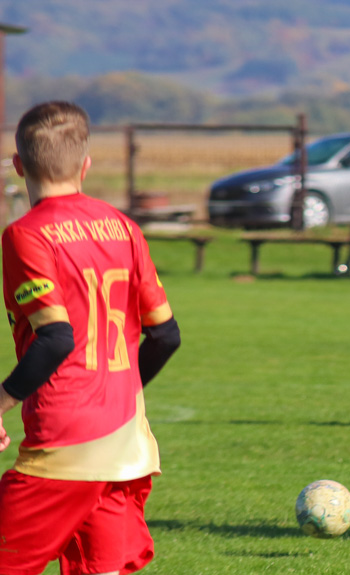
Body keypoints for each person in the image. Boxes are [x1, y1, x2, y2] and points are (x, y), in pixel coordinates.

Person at [0, 101, 181, 574]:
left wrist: (0, 401)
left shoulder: (27, 235)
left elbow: (56, 338)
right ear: (86, 164)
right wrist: (118, 390)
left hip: (65, 443)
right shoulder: (124, 227)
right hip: (126, 444)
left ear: (19, 166)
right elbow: (165, 336)